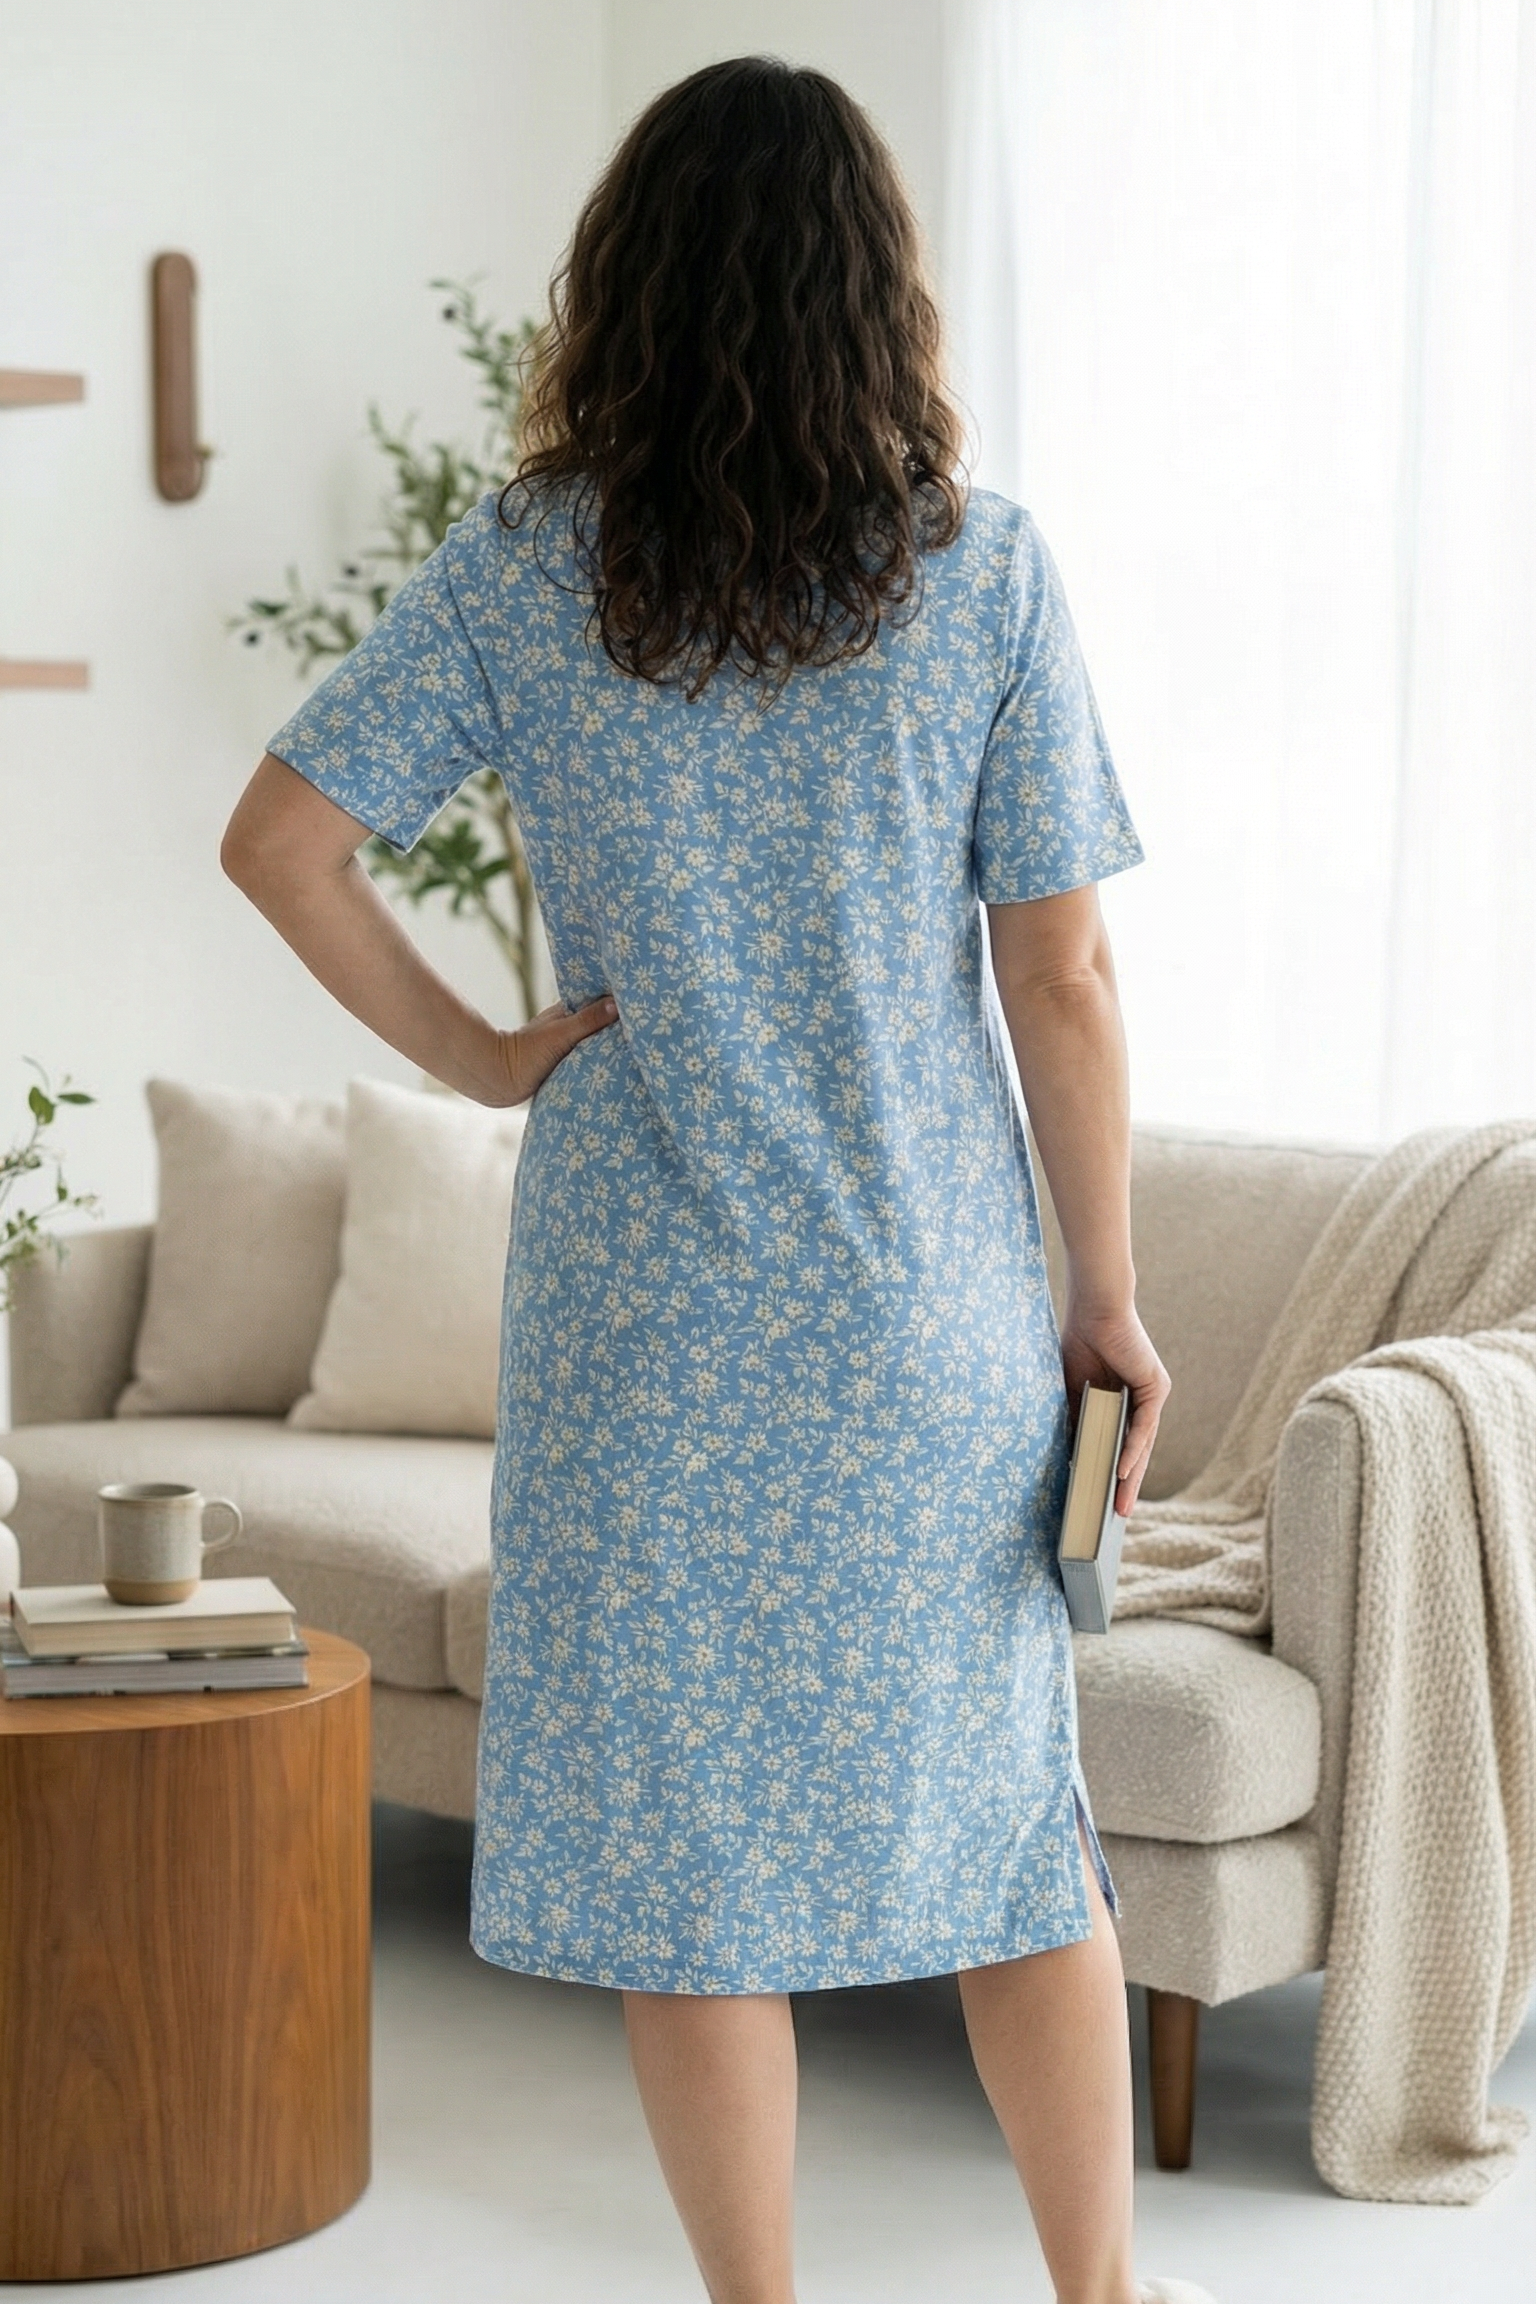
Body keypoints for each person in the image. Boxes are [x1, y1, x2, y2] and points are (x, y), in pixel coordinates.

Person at [223, 55, 1214, 2304]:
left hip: (640, 1329)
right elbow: (1062, 977)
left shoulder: (526, 570)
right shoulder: (984, 578)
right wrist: (1107, 1296)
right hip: (924, 1322)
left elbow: (280, 842)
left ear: (628, 285)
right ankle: (1105, 2297)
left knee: (695, 1873)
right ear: (881, 293)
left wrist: (487, 1057)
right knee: (1012, 1845)